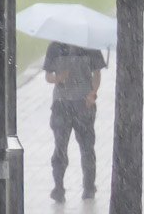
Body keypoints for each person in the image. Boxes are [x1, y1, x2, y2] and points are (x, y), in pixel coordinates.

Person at [44, 40, 105, 202]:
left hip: (83, 104)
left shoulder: (89, 46)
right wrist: (59, 78)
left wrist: (93, 93)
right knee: (60, 147)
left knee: (87, 148)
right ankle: (59, 187)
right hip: (61, 105)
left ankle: (89, 187)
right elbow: (48, 76)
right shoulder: (55, 47)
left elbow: (97, 73)